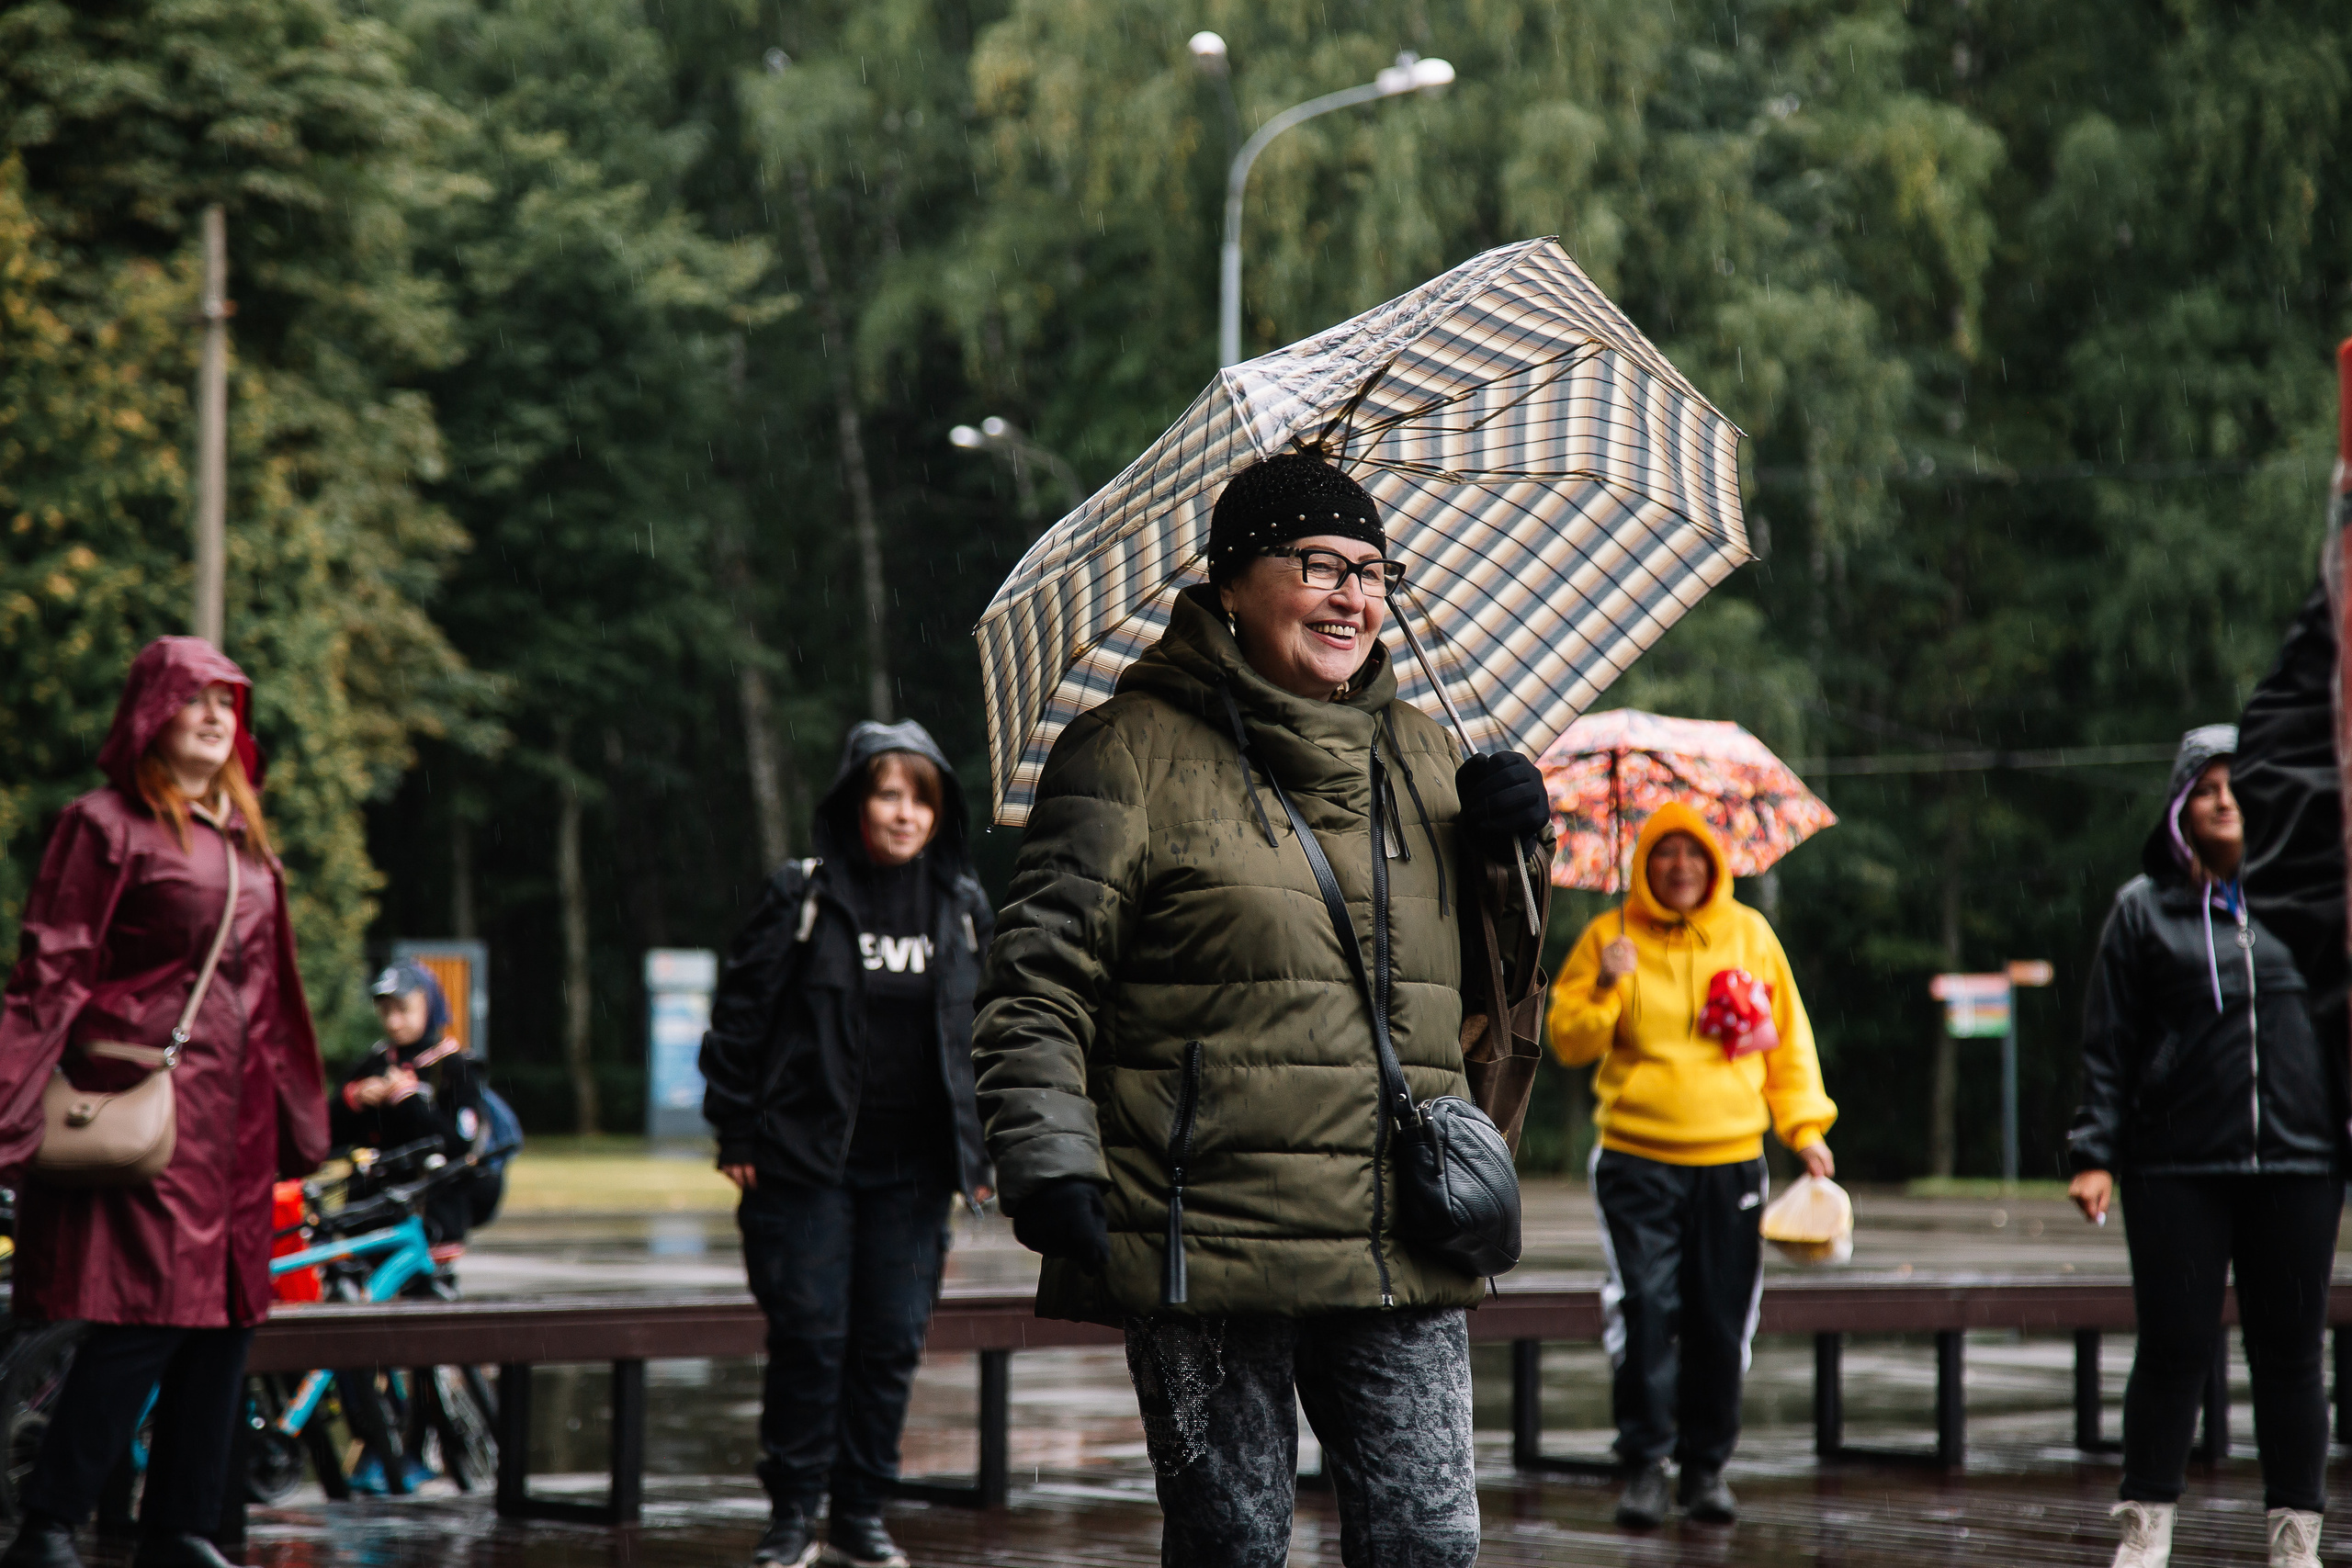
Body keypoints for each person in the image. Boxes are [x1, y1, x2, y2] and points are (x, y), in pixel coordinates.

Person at [972, 454, 1553, 1568]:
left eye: (1374, 571)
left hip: (1404, 1224)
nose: (1354, 597)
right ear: (1233, 582)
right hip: (1207, 1229)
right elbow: (1037, 982)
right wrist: (1047, 1156)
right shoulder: (1127, 752)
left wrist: (1513, 858)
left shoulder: (1430, 757)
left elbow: (1494, 998)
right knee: (1232, 1544)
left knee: (1429, 1543)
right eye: (1318, 564)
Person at [0, 638, 328, 1568]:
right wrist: (9, 1102)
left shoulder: (243, 837)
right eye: (197, 702)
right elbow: (51, 969)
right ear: (153, 716)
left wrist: (301, 1121)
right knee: (143, 1322)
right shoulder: (104, 824)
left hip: (240, 1126)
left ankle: (181, 1529)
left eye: (230, 703)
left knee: (225, 1326)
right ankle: (50, 1525)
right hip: (152, 1110)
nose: (219, 719)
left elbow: (277, 997)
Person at [699, 719, 995, 1568]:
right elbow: (741, 1019)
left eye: (922, 799)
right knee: (811, 1339)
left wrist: (983, 1148)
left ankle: (862, 1514)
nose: (904, 814)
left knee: (891, 1343)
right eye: (888, 794)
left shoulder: (963, 907)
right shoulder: (803, 896)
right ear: (856, 802)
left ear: (941, 813)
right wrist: (737, 1126)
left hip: (915, 1174)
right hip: (805, 1165)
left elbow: (983, 1039)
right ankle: (792, 1517)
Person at [2068, 726, 2343, 1568]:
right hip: (2175, 1166)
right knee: (2175, 1347)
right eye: (2209, 787)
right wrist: (2092, 1150)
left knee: (2292, 1355)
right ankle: (2145, 1530)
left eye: (2243, 785)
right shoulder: (2140, 909)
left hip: (2299, 1164)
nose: (2229, 799)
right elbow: (2107, 1044)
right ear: (2183, 807)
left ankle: (2296, 1540)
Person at [1547, 803, 1837, 1529]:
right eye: (1665, 852)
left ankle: (1706, 1467)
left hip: (1732, 1161)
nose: (1680, 865)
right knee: (1645, 1307)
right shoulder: (1608, 936)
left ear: (1715, 862)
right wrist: (1610, 986)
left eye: (1694, 853)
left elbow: (1788, 1044)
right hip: (1635, 1160)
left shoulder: (1749, 935)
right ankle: (1644, 1466)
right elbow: (1569, 1040)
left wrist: (1805, 1129)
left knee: (1720, 1315)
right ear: (1643, 864)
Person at [332, 960, 485, 1244]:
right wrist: (354, 1099)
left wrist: (410, 1101)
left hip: (429, 1222)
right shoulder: (373, 1062)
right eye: (386, 1011)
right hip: (367, 1214)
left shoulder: (454, 1066)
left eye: (403, 1010)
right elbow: (329, 1135)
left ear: (428, 1005)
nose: (393, 1022)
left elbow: (459, 1146)